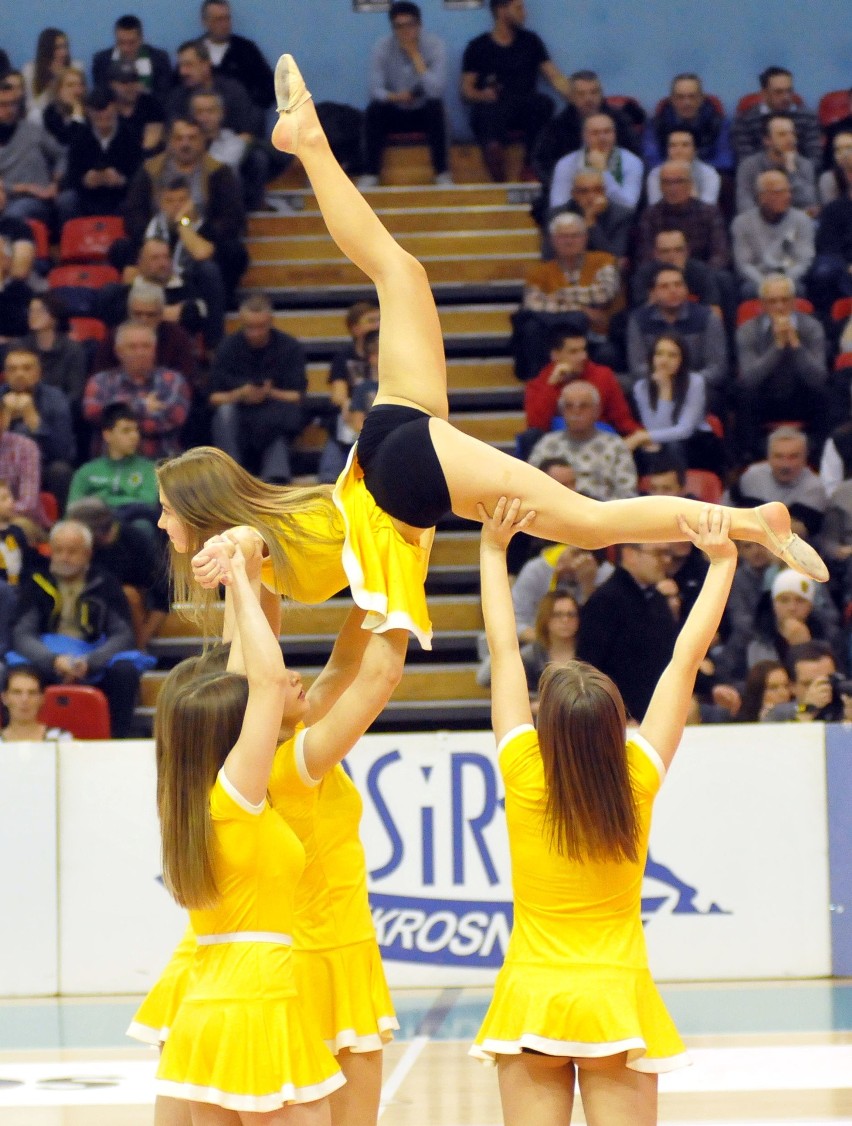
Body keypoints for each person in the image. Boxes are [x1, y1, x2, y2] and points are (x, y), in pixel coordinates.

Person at [159, 53, 828, 651]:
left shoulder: (246, 545)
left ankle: (748, 521)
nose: (160, 523)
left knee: (591, 524)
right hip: (389, 447)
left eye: (167, 512)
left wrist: (225, 550)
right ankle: (307, 144)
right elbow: (255, 661)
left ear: (202, 513)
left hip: (401, 478)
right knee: (399, 272)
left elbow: (239, 547)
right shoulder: (258, 564)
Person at [470, 499, 737, 1123]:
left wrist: (491, 550)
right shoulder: (637, 774)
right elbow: (684, 661)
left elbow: (505, 652)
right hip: (615, 996)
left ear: (547, 725)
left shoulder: (523, 769)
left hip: (532, 995)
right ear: (616, 721)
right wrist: (720, 564)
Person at [152, 535, 344, 1117]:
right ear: (227, 737)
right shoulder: (235, 797)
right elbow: (261, 683)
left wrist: (251, 584)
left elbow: (243, 682)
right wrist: (238, 578)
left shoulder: (187, 799)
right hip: (260, 1003)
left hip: (202, 1012)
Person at [9, 519, 141, 737]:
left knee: (125, 671)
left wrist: (91, 662)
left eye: (72, 551)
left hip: (92, 657)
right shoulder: (35, 581)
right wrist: (53, 661)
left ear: (87, 553)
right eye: (58, 550)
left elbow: (122, 634)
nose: (64, 557)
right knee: (15, 673)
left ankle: (118, 739)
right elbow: (23, 633)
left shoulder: (105, 583)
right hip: (46, 657)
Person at [460, 0, 571, 183]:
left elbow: (555, 77)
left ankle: (530, 168)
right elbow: (466, 91)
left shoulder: (531, 41)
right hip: (494, 106)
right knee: (486, 117)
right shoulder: (477, 46)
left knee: (544, 104)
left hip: (525, 104)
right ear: (501, 10)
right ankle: (499, 180)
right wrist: (482, 95)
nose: (525, 13)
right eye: (519, 8)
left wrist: (579, 97)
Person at [208, 292, 306, 483]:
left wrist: (269, 392)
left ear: (270, 322)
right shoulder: (227, 348)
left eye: (260, 327)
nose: (255, 333)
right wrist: (240, 394)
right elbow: (213, 397)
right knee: (225, 413)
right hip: (239, 414)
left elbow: (296, 396)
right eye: (249, 328)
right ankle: (231, 476)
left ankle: (276, 478)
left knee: (279, 421)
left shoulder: (289, 347)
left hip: (273, 412)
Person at [734, 273, 828, 463]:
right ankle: (753, 457)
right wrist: (776, 347)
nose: (779, 306)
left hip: (800, 395)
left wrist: (796, 345)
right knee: (742, 394)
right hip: (765, 397)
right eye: (772, 301)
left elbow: (819, 378)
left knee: (826, 394)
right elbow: (750, 379)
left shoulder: (812, 327)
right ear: (761, 304)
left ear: (794, 301)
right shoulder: (747, 330)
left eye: (784, 300)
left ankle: (817, 456)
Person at [360, 1, 451, 188]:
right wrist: (396, 97)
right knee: (374, 110)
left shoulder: (435, 46)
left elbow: (436, 90)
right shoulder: (382, 47)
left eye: (409, 25)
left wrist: (415, 55)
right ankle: (371, 173)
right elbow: (374, 90)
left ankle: (441, 172)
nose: (404, 31)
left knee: (437, 108)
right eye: (398, 27)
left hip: (423, 110)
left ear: (419, 25)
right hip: (395, 109)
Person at [83, 321, 191, 460]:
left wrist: (119, 423)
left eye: (146, 346)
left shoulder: (173, 380)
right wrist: (143, 406)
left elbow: (173, 418)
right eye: (132, 347)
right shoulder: (100, 381)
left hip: (160, 467)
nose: (140, 352)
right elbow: (92, 413)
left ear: (154, 349)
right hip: (110, 470)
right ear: (119, 351)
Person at [526, 380, 639, 501]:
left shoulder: (615, 446)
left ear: (597, 410)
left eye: (583, 406)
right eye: (569, 406)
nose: (576, 412)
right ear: (561, 411)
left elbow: (628, 495)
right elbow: (529, 488)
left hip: (602, 513)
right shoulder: (547, 445)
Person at [67, 402, 160, 537]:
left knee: (143, 526)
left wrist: (99, 501)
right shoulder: (87, 471)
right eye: (126, 431)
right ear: (107, 435)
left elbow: (146, 503)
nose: (134, 436)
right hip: (91, 524)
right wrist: (122, 502)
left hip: (130, 525)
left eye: (136, 430)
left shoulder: (148, 469)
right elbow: (73, 507)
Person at [0, 345, 75, 507]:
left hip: (43, 464)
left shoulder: (55, 398)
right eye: (12, 369)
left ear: (38, 373)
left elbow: (64, 451)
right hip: (4, 464)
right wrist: (5, 416)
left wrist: (33, 418)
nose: (19, 374)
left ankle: (61, 524)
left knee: (61, 471)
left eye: (26, 368)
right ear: (5, 374)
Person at [631, 333, 716, 473]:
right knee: (645, 449)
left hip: (695, 442)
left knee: (671, 446)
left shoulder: (695, 382)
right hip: (660, 443)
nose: (664, 361)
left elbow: (685, 430)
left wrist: (665, 389)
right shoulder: (641, 387)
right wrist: (645, 438)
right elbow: (655, 430)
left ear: (682, 360)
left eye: (672, 355)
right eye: (659, 354)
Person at [477, 588, 581, 695]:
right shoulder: (529, 656)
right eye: (557, 615)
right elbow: (484, 678)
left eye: (571, 614)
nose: (565, 620)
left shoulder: (591, 652)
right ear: (545, 618)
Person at [731, 169, 815, 298]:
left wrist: (783, 284)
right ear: (762, 197)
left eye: (788, 191)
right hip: (758, 280)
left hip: (790, 278)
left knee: (799, 289)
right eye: (779, 192)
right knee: (747, 290)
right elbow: (744, 264)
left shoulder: (802, 220)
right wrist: (766, 285)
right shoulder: (742, 223)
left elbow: (804, 261)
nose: (788, 196)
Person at [549, 113, 644, 213]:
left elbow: (629, 205)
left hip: (616, 220)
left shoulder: (632, 162)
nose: (602, 138)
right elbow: (558, 205)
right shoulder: (566, 163)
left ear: (615, 134)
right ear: (584, 136)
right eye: (595, 133)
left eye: (607, 132)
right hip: (577, 217)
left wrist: (603, 172)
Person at [200, 0, 276, 125]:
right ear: (205, 22)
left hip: (243, 126)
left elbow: (269, 87)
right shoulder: (194, 51)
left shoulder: (246, 50)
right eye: (218, 19)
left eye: (227, 18)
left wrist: (253, 112)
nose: (225, 24)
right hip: (201, 130)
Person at [645, 73, 733, 173]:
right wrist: (678, 171)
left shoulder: (719, 124)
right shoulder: (656, 124)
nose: (687, 103)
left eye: (692, 97)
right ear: (672, 99)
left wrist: (690, 171)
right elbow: (651, 161)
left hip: (706, 178)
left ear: (701, 99)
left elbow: (725, 161)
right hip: (668, 179)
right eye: (680, 97)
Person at [731, 66, 822, 164]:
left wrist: (794, 169)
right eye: (778, 92)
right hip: (761, 176)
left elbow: (815, 158)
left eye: (789, 91)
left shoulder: (808, 118)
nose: (786, 97)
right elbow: (746, 161)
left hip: (799, 173)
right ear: (764, 93)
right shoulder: (746, 121)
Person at [16, 293, 88, 409]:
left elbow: (75, 393)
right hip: (23, 409)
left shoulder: (73, 350)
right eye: (30, 311)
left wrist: (52, 410)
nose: (33, 315)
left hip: (61, 412)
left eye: (40, 311)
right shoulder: (19, 347)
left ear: (55, 315)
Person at [735, 115, 817, 216]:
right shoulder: (749, 166)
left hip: (795, 223)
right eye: (782, 135)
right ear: (767, 140)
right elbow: (744, 205)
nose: (790, 139)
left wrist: (792, 171)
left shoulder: (804, 164)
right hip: (759, 225)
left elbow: (809, 203)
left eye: (793, 134)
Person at [91, 14, 173, 106]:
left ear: (141, 39)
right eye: (121, 42)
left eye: (131, 43)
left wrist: (142, 91)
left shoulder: (159, 59)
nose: (126, 48)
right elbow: (100, 97)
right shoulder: (101, 61)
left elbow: (165, 95)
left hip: (150, 111)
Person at [645, 128, 721, 206]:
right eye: (673, 146)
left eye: (685, 145)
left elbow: (708, 207)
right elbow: (655, 206)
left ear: (695, 150)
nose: (678, 151)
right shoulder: (655, 174)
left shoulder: (709, 174)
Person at [0, 664, 71, 741]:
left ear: (42, 698)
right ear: (4, 698)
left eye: (32, 693)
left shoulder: (59, 738)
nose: (25, 699)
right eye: (17, 692)